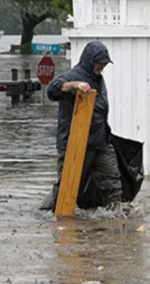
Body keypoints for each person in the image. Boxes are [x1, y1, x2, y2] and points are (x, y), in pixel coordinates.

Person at [40, 40, 122, 211]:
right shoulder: (73, 75)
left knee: (112, 178)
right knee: (68, 184)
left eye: (104, 64)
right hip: (75, 143)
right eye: (100, 63)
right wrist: (74, 85)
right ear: (90, 60)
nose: (102, 67)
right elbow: (52, 90)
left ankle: (117, 214)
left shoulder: (97, 78)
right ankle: (54, 214)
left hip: (100, 141)